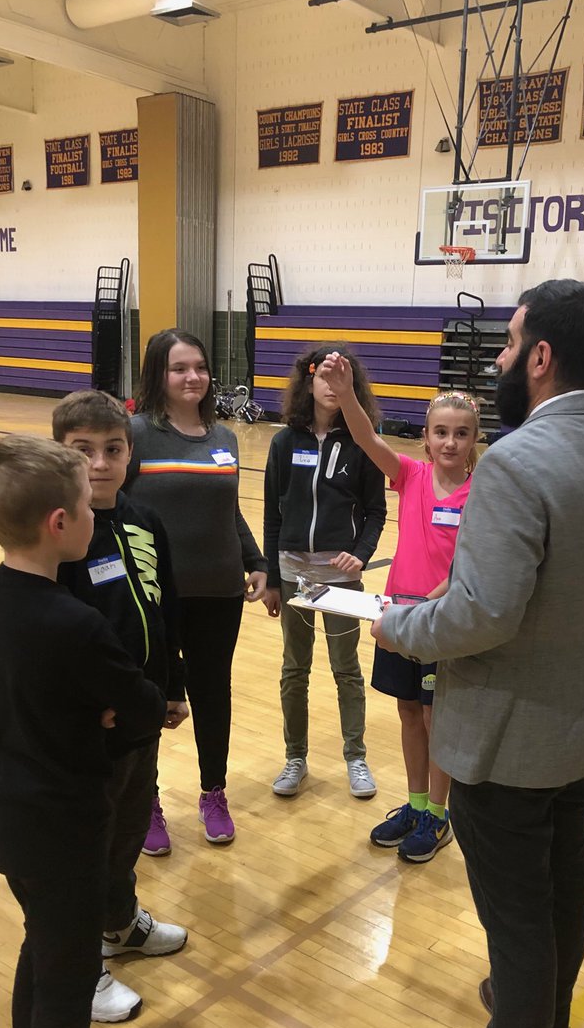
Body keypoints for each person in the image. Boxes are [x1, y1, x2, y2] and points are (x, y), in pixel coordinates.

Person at [370, 279, 584, 1028]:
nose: (499, 360)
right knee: (561, 881)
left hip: (507, 732)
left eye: (506, 345)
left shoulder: (517, 461)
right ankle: (548, 1026)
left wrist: (397, 624)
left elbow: (484, 615)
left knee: (516, 919)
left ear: (540, 356)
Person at [0, 434, 165, 1028]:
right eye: (86, 504)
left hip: (6, 809)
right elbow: (143, 705)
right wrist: (113, 710)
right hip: (60, 822)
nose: (94, 513)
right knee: (68, 974)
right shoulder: (74, 622)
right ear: (60, 523)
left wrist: (102, 707)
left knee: (44, 951)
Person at [52, 390, 188, 1023]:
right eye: (83, 451)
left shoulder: (146, 520)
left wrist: (173, 685)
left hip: (143, 714)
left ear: (131, 452)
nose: (100, 463)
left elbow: (164, 611)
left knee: (130, 825)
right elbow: (55, 637)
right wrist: (87, 705)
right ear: (61, 454)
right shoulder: (58, 533)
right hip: (93, 727)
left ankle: (119, 924)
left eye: (113, 449)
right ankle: (82, 968)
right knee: (89, 843)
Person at [324, 363, 481, 861]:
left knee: (437, 719)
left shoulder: (481, 493)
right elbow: (366, 437)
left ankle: (438, 813)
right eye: (441, 432)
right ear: (427, 439)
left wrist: (432, 603)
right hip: (398, 618)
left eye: (461, 433)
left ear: (474, 439)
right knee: (409, 711)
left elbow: (471, 566)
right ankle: (415, 805)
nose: (450, 442)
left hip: (440, 624)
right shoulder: (411, 475)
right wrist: (347, 395)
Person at [125, 328, 267, 847]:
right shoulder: (135, 433)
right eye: (180, 368)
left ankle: (214, 792)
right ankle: (146, 800)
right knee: (152, 696)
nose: (193, 377)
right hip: (153, 596)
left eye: (200, 367)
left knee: (212, 694)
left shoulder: (224, 438)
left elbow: (229, 511)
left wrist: (255, 560)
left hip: (220, 591)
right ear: (157, 374)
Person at [262, 344, 386, 799]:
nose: (331, 387)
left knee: (346, 669)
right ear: (308, 382)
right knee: (295, 669)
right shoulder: (283, 443)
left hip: (340, 579)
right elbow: (272, 514)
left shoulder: (362, 442)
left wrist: (361, 554)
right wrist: (272, 577)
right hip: (293, 574)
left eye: (340, 379)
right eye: (324, 378)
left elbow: (376, 510)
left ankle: (356, 757)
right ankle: (295, 757)